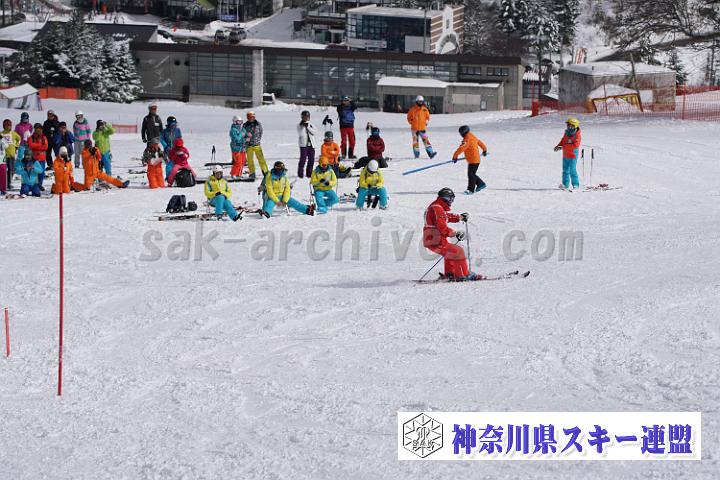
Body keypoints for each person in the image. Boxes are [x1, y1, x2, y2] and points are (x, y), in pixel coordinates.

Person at [423, 188, 475, 280]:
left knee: (450, 253)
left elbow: (445, 216)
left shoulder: (436, 207)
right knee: (458, 251)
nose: (451, 201)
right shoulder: (437, 208)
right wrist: (455, 233)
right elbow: (442, 227)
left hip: (433, 239)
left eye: (452, 199)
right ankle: (463, 275)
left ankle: (450, 274)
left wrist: (460, 217)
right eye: (450, 199)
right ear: (445, 198)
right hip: (435, 240)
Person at [452, 125, 488, 195]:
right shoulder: (472, 136)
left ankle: (471, 190)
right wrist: (484, 150)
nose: (461, 135)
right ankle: (481, 184)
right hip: (475, 159)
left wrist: (455, 156)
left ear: (464, 133)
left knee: (471, 175)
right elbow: (480, 142)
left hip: (473, 159)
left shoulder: (467, 139)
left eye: (461, 133)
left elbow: (461, 148)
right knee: (472, 174)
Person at [554, 117, 582, 190]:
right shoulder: (567, 133)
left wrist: (563, 146)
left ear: (574, 126)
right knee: (565, 170)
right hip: (565, 155)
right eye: (568, 125)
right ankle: (565, 184)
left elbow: (575, 145)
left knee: (572, 170)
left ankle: (575, 185)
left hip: (573, 155)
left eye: (570, 125)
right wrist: (558, 146)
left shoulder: (577, 135)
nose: (568, 126)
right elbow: (563, 140)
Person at [244, 111, 267, 180]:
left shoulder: (258, 124)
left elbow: (261, 132)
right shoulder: (245, 125)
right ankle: (252, 173)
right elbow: (243, 134)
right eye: (249, 117)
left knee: (261, 159)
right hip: (249, 146)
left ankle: (265, 172)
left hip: (257, 145)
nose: (251, 118)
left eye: (252, 117)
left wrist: (257, 139)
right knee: (250, 161)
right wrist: (246, 138)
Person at [296, 110, 318, 178]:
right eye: (304, 117)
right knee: (303, 159)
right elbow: (301, 134)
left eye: (307, 117)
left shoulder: (311, 124)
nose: (306, 118)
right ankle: (300, 174)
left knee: (311, 160)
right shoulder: (299, 125)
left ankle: (309, 173)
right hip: (303, 145)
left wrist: (308, 127)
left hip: (311, 145)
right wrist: (303, 127)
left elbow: (315, 132)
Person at [2, 119, 21, 191]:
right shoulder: (1, 133)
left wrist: (16, 146)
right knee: (4, 171)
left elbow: (19, 138)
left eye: (9, 126)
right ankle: (5, 183)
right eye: (7, 126)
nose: (8, 127)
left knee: (12, 170)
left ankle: (8, 183)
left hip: (12, 154)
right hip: (3, 156)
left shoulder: (13, 133)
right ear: (4, 126)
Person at [27, 124, 49, 189]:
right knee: (33, 173)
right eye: (37, 129)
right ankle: (32, 185)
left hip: (42, 159)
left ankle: (39, 185)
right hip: (33, 159)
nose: (39, 130)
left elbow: (45, 147)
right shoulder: (31, 138)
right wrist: (40, 144)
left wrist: (36, 146)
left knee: (41, 173)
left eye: (40, 129)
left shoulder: (44, 138)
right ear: (35, 129)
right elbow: (31, 145)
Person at [160, 115, 182, 180]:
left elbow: (179, 138)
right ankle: (169, 177)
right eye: (172, 124)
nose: (174, 125)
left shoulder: (177, 130)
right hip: (168, 150)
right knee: (169, 165)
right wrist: (166, 146)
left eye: (175, 124)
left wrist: (179, 146)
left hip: (176, 150)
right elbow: (161, 139)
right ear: (169, 124)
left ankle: (178, 176)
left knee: (177, 164)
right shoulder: (164, 131)